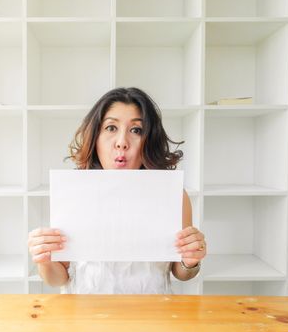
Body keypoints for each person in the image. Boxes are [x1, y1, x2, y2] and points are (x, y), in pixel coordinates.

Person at [27, 87, 207, 294]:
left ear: (149, 140)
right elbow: (59, 278)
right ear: (95, 136)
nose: (122, 142)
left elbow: (181, 273)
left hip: (153, 315)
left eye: (136, 130)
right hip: (85, 315)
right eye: (111, 128)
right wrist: (44, 260)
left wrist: (190, 260)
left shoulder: (172, 195)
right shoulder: (74, 192)